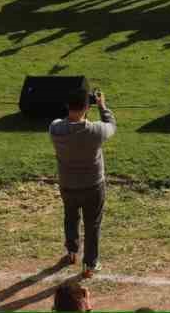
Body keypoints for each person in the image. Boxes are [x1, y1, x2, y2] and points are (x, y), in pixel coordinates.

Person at [50, 87, 116, 275]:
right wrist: (102, 106)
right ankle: (90, 263)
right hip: (93, 185)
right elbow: (111, 124)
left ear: (67, 105)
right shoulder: (96, 130)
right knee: (92, 224)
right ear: (88, 107)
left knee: (70, 217)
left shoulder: (55, 129)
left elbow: (62, 121)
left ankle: (71, 251)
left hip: (67, 184)